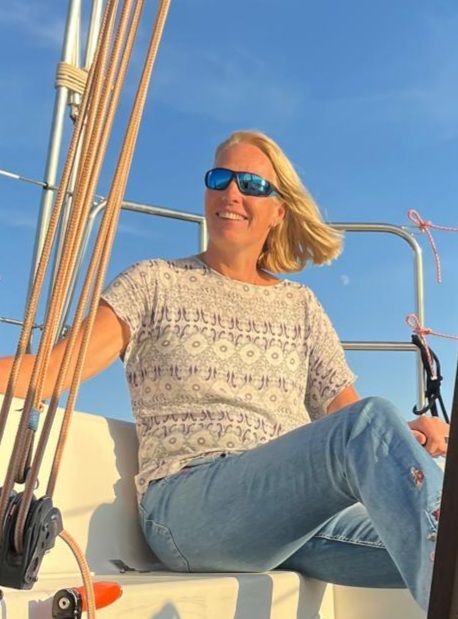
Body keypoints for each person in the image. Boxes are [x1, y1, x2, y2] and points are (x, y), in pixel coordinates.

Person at [0, 130, 448, 611]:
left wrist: (406, 435)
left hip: (283, 520)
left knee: (443, 548)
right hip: (189, 511)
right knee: (378, 437)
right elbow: (59, 367)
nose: (231, 192)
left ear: (278, 211)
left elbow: (347, 419)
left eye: (251, 184)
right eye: (220, 179)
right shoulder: (154, 282)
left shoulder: (300, 306)